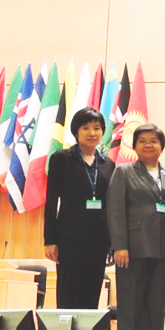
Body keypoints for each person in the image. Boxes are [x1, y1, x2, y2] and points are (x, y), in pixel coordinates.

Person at [106, 124, 165, 330]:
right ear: (134, 146)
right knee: (130, 303)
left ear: (162, 146)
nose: (149, 145)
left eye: (154, 141)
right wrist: (119, 246)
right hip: (133, 248)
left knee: (157, 304)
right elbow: (115, 211)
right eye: (143, 141)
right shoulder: (123, 172)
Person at [44, 107, 115, 309]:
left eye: (97, 128)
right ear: (76, 131)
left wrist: (112, 240)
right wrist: (50, 240)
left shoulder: (108, 164)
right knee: (68, 292)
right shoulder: (62, 158)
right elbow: (51, 201)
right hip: (69, 237)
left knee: (92, 293)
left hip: (99, 239)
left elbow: (111, 205)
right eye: (86, 128)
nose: (92, 133)